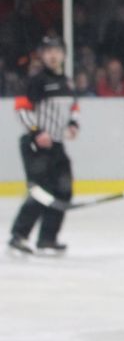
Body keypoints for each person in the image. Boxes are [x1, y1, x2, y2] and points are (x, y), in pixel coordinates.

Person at [8, 36, 79, 256]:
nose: (53, 55)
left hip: (56, 145)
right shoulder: (36, 81)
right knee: (41, 191)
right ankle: (18, 237)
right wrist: (37, 132)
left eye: (57, 50)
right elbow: (21, 109)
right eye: (48, 51)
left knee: (63, 191)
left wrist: (73, 124)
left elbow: (73, 107)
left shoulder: (67, 82)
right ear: (42, 55)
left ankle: (47, 238)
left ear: (64, 55)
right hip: (35, 145)